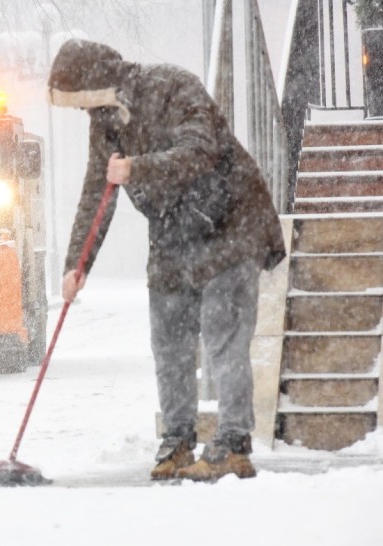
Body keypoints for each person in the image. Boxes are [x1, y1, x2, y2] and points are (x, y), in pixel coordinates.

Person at [47, 39, 286, 481]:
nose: (84, 114)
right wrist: (77, 264)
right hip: (173, 230)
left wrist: (137, 167)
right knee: (169, 341)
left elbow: (201, 151)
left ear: (96, 87)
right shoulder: (105, 123)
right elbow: (94, 194)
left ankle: (233, 443)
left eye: (82, 104)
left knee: (223, 337)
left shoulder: (173, 86)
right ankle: (178, 439)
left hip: (229, 221)